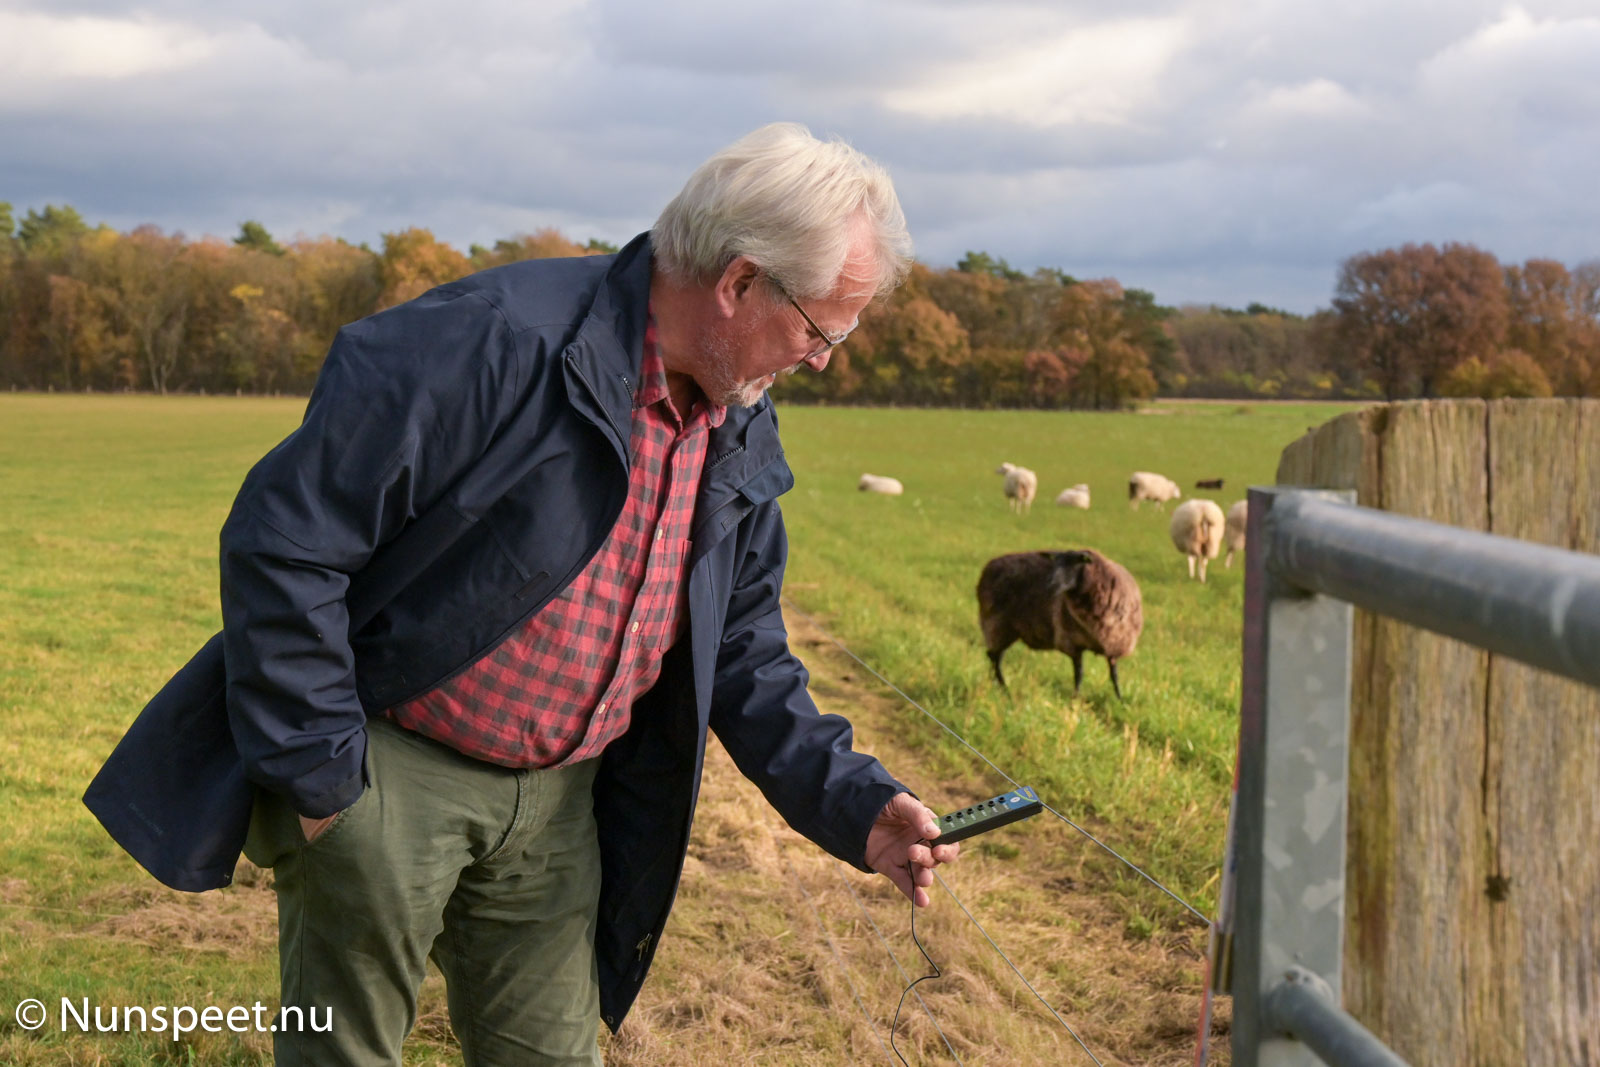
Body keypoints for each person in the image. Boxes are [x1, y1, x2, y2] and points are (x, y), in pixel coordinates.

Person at [222, 122, 960, 1065]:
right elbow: (284, 545)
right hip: (392, 776)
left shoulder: (738, 422)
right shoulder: (488, 341)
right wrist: (329, 785)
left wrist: (856, 802)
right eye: (821, 330)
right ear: (739, 282)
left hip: (562, 806)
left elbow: (742, 652)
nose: (823, 360)